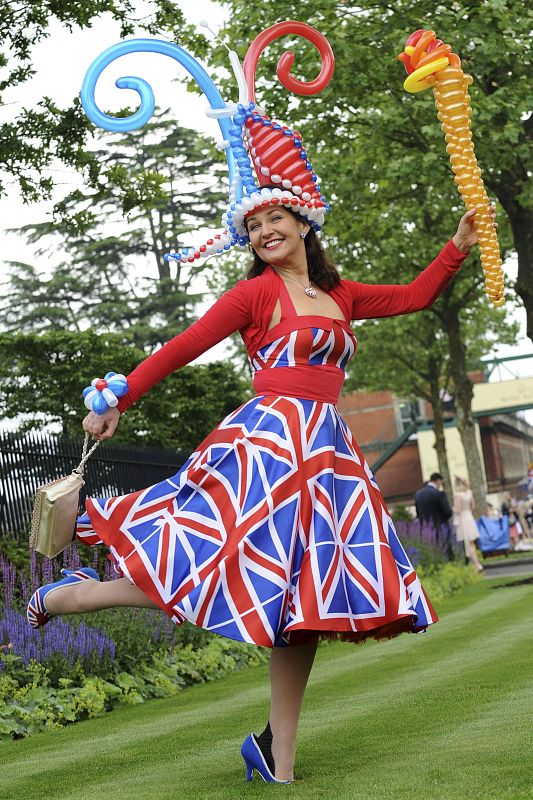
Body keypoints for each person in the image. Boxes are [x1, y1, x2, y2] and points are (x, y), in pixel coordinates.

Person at [26, 37, 496, 784]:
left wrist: (457, 245)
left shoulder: (340, 295)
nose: (265, 231)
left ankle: (277, 753)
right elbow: (182, 346)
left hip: (327, 455)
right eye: (252, 226)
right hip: (268, 444)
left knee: (301, 601)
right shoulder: (253, 294)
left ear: (304, 222)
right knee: (207, 566)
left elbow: (413, 296)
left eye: (275, 218)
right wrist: (120, 398)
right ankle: (72, 595)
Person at [453, 476, 483, 572]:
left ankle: (476, 564)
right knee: (471, 543)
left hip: (463, 519)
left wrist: (453, 510)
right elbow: (472, 506)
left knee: (468, 544)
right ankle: (474, 564)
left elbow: (458, 509)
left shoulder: (458, 495)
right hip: (469, 517)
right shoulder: (469, 493)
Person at [414, 472, 453, 537]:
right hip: (440, 529)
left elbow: (418, 514)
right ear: (438, 481)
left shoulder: (418, 494)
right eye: (441, 483)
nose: (440, 485)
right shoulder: (439, 493)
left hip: (425, 530)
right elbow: (448, 512)